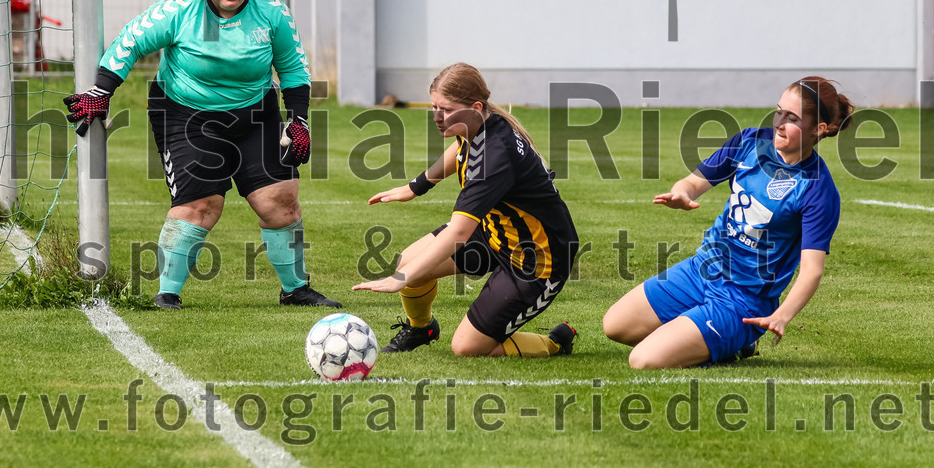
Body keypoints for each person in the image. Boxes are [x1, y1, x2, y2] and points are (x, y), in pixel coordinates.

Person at [64, 0, 341, 310]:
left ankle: (296, 289)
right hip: (185, 113)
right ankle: (167, 294)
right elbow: (129, 40)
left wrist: (299, 121)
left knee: (280, 200)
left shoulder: (271, 10)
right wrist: (102, 91)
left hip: (255, 112)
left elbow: (293, 68)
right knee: (201, 204)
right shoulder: (180, 8)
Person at [602, 76, 855, 368]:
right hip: (702, 269)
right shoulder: (749, 142)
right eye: (778, 111)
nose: (779, 122)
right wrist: (681, 193)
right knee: (615, 325)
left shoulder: (818, 189)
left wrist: (781, 316)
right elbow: (693, 182)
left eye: (792, 118)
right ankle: (725, 338)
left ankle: (735, 334)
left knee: (642, 359)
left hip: (742, 300)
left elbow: (811, 271)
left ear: (819, 128)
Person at [353, 63, 578, 358]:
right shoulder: (478, 122)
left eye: (445, 109)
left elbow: (459, 231)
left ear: (474, 107)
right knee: (409, 261)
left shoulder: (494, 157)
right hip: (496, 234)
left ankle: (557, 342)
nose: (437, 117)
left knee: (466, 347)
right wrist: (416, 186)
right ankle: (422, 328)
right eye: (434, 106)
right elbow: (459, 150)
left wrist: (400, 280)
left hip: (536, 261)